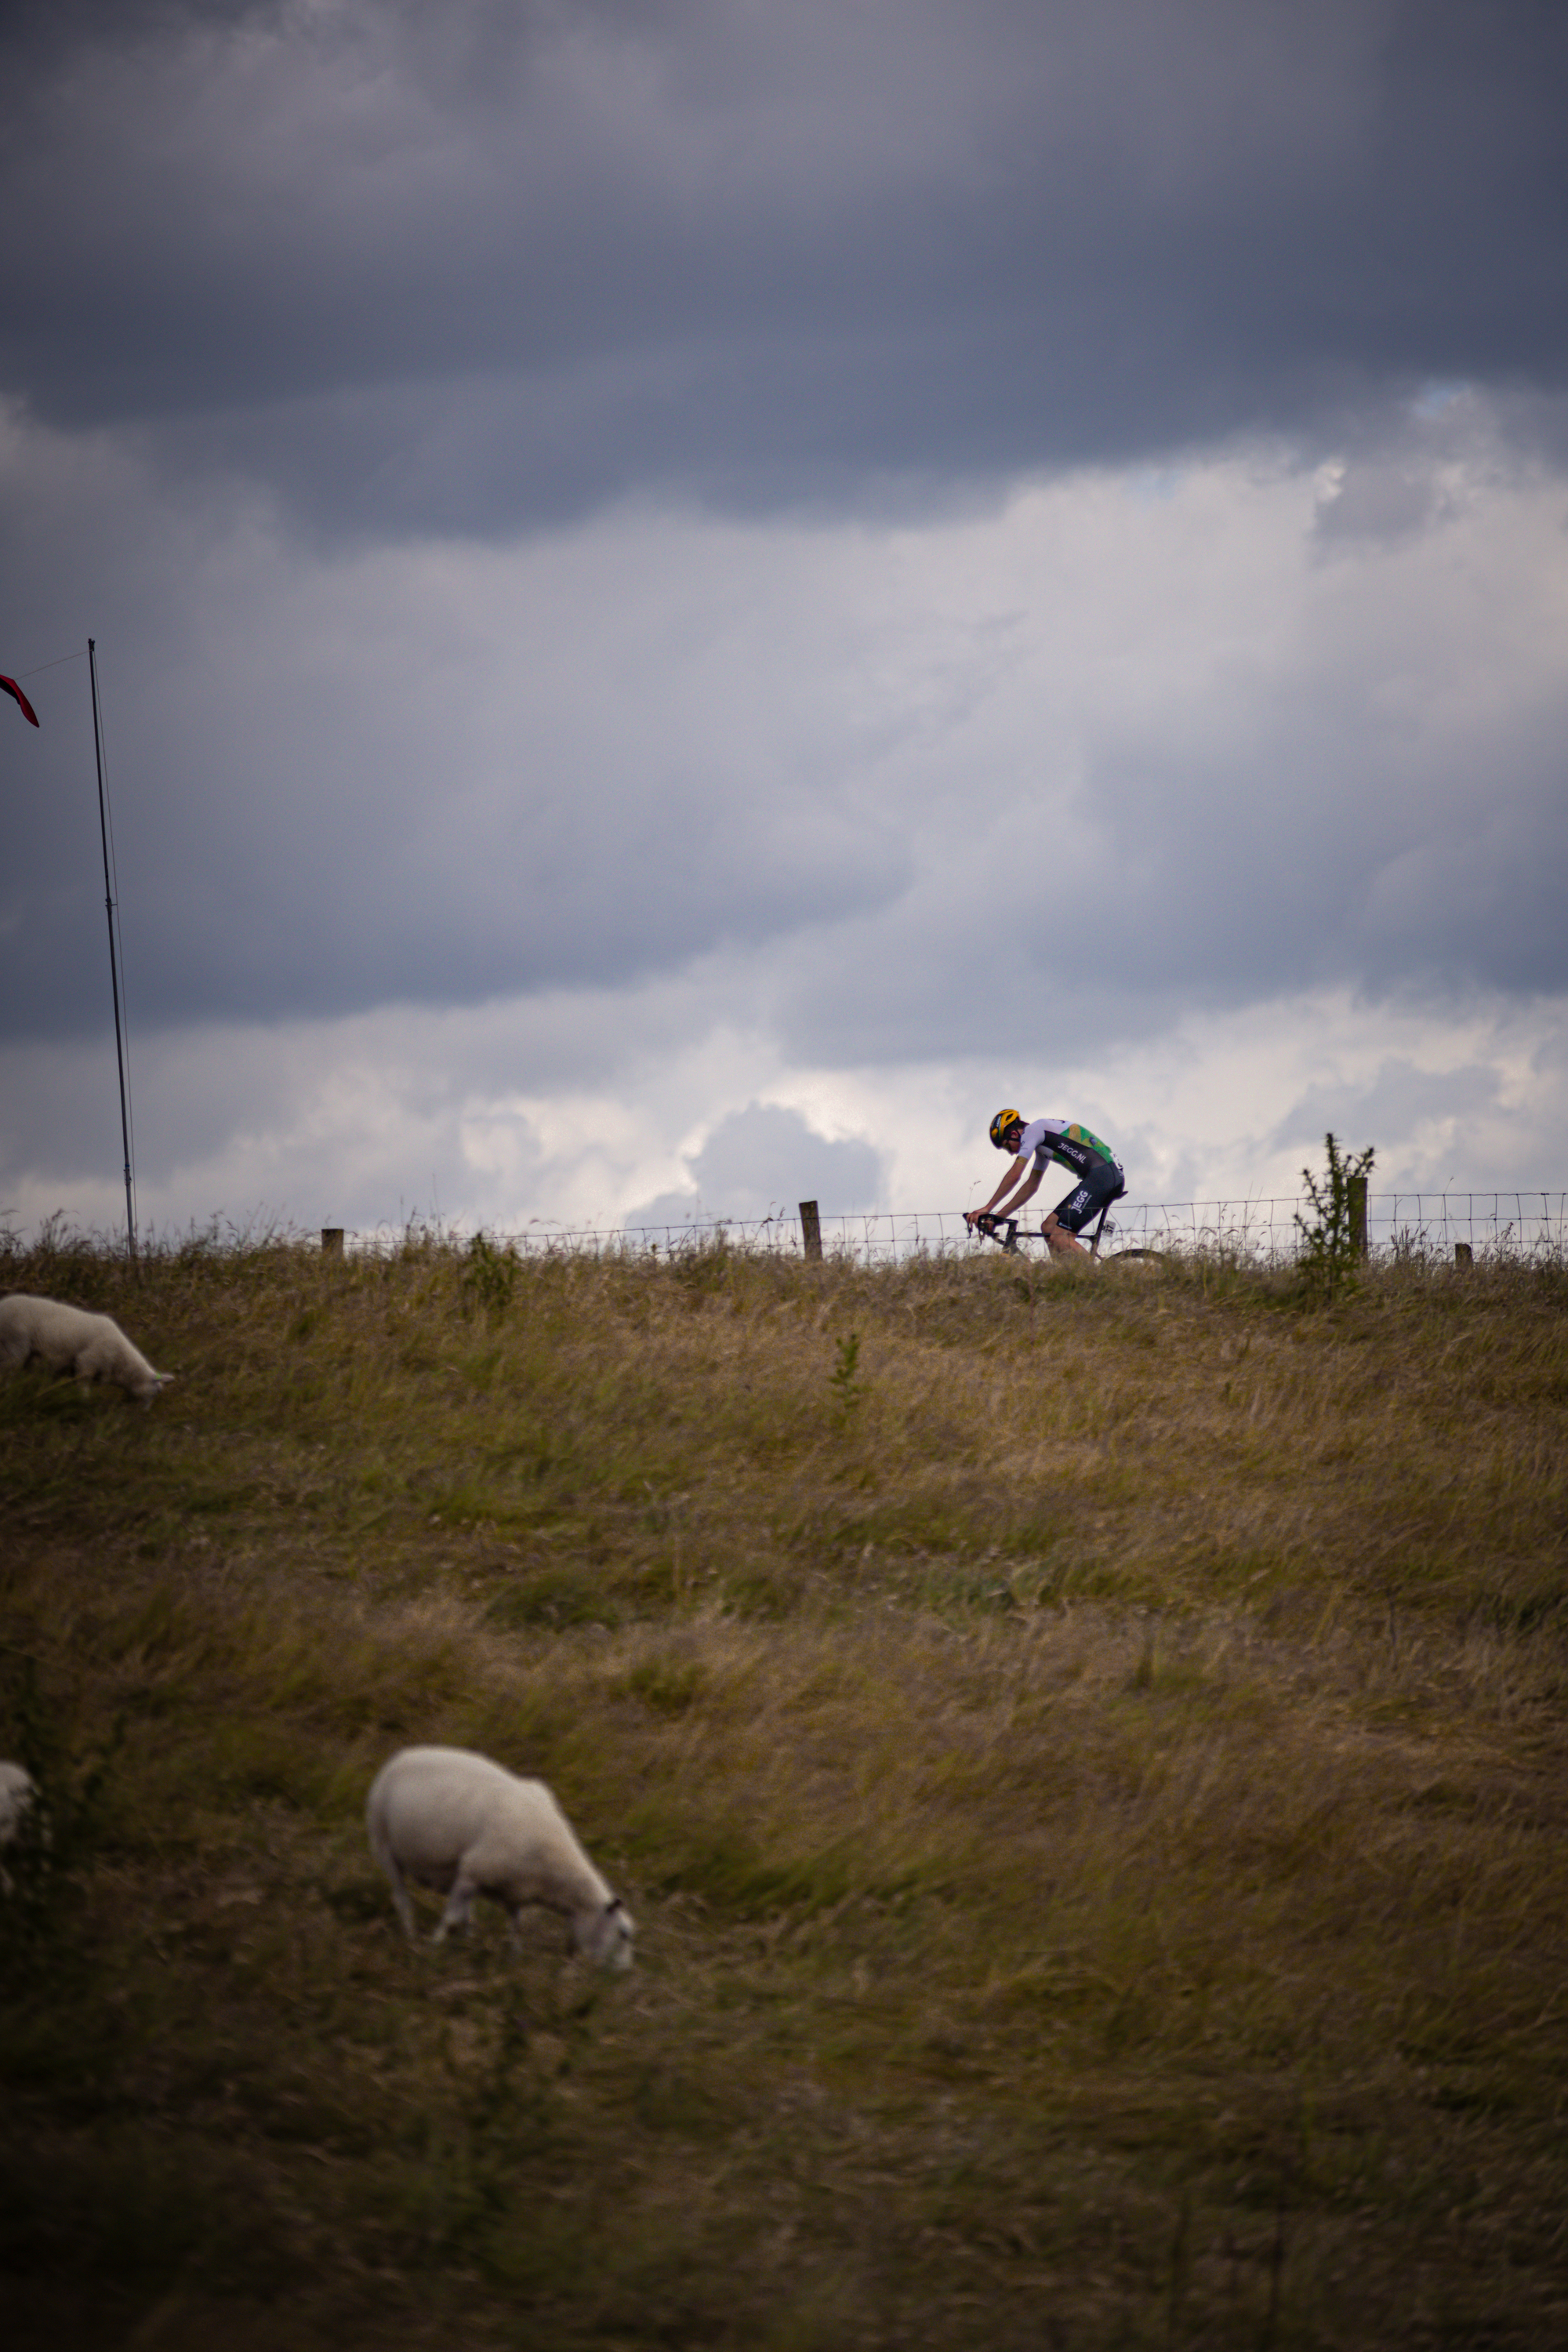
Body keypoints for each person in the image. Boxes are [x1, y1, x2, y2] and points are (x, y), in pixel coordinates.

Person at [966, 1108, 1126, 1258]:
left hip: (1102, 1175)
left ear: (1015, 1133)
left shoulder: (1033, 1131)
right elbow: (1031, 1186)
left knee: (1060, 1236)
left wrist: (988, 1208)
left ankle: (1096, 1278)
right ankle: (1062, 1275)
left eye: (1008, 1145)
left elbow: (1015, 1174)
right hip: (1104, 1175)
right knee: (1049, 1227)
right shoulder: (1042, 1142)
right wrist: (998, 1217)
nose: (1011, 1152)